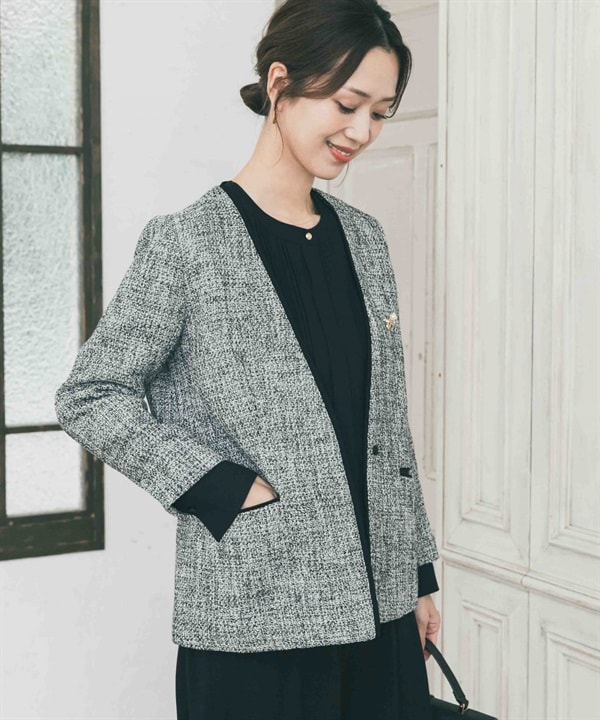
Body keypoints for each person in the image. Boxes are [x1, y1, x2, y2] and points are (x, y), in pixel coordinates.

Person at [55, 0, 442, 717]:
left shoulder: (365, 239)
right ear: (279, 83)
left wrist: (417, 575)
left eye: (381, 113)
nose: (362, 132)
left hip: (382, 606)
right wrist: (217, 487)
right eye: (346, 103)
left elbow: (387, 425)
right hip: (258, 616)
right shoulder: (188, 243)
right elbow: (91, 394)